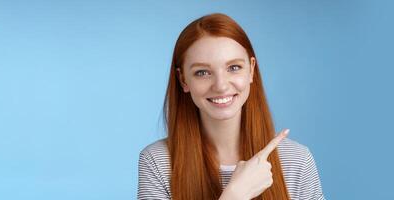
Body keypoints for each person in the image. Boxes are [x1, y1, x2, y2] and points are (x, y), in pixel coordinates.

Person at [138, 13, 326, 200]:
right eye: (202, 72)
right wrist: (235, 195)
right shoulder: (157, 162)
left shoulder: (296, 160)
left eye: (233, 68)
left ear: (251, 70)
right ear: (183, 79)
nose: (220, 85)